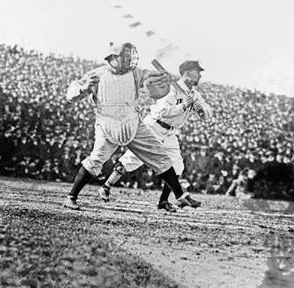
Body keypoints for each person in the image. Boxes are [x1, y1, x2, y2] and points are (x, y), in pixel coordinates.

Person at [62, 42, 202, 211]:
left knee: (160, 156)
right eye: (126, 57)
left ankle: (179, 195)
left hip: (132, 122)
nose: (130, 60)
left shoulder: (135, 73)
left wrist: (162, 78)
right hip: (107, 124)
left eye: (131, 56)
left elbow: (153, 83)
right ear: (113, 58)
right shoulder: (96, 75)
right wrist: (82, 89)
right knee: (96, 159)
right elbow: (71, 94)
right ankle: (71, 197)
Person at [99, 60, 213, 212]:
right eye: (197, 72)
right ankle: (106, 186)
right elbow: (162, 112)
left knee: (177, 166)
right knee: (132, 160)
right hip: (154, 127)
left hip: (170, 132)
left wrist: (201, 110)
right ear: (187, 73)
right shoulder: (170, 89)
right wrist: (184, 106)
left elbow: (206, 115)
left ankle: (163, 201)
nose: (199, 75)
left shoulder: (195, 94)